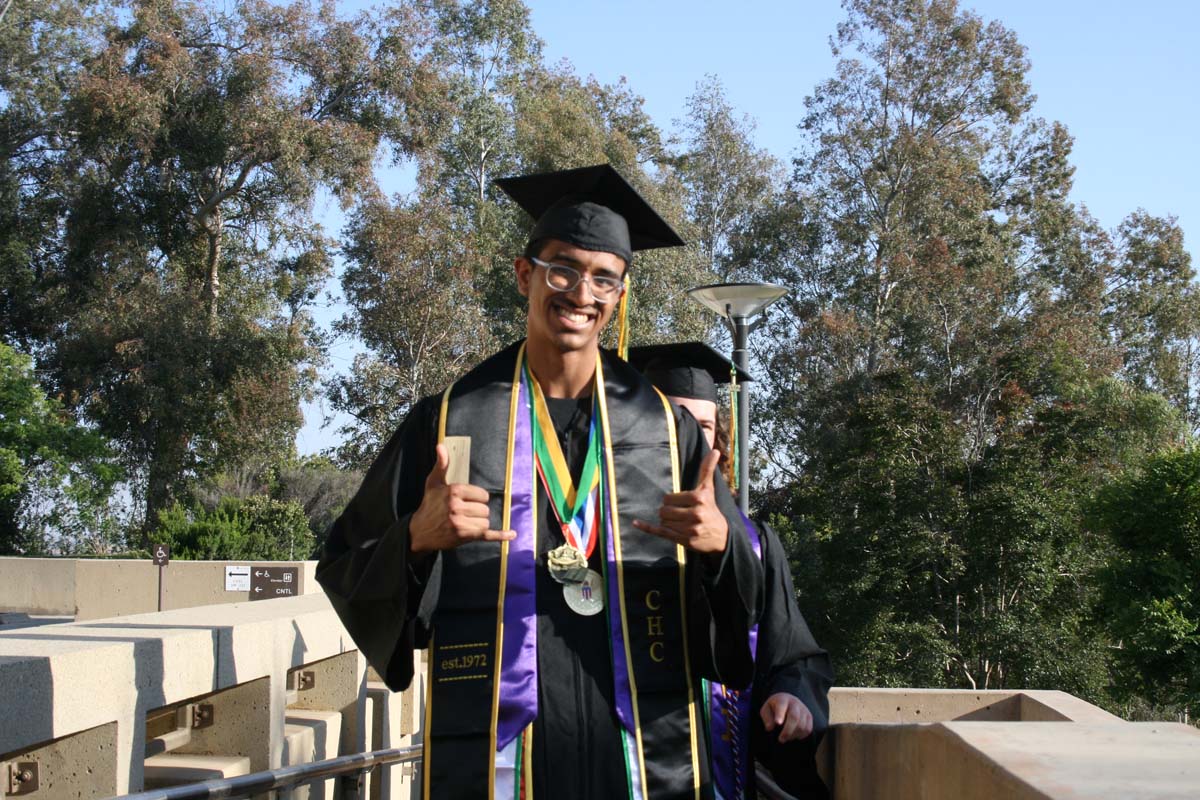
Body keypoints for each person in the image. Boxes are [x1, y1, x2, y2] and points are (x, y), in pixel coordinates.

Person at [316, 164, 763, 799]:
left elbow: (747, 606)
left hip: (635, 747)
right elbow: (344, 565)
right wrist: (415, 538)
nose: (581, 291)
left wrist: (720, 551)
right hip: (506, 747)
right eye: (563, 269)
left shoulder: (667, 431)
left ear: (619, 296)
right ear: (526, 274)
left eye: (603, 277)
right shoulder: (448, 423)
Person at [630, 342, 834, 800]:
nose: (691, 440)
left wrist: (793, 696)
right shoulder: (598, 535)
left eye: (703, 425)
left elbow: (792, 653)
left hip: (723, 774)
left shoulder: (755, 544)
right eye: (675, 421)